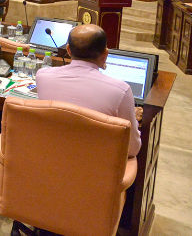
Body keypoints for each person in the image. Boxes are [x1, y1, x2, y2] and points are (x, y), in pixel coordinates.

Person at [36, 24, 142, 157]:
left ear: (68, 50)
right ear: (105, 53)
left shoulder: (42, 76)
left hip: (49, 158)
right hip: (95, 165)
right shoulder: (121, 90)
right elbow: (131, 149)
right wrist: (133, 118)